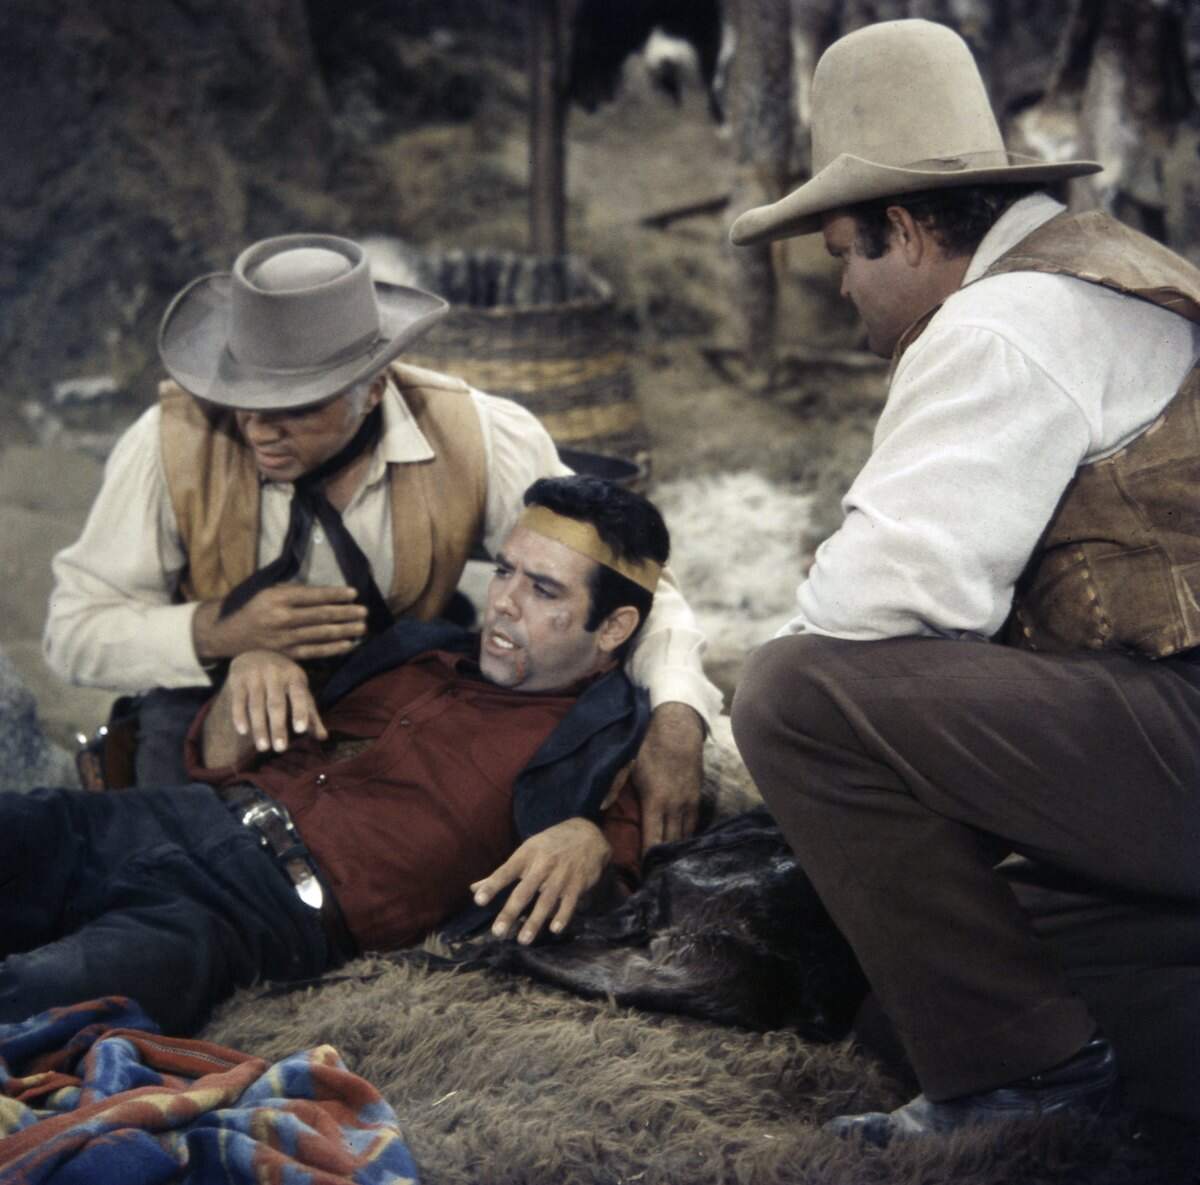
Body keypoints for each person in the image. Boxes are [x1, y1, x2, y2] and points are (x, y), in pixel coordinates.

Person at [727, 18, 1200, 1156]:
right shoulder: (1122, 267)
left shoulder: (1002, 321)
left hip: (1185, 738)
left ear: (904, 228)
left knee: (792, 693)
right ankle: (1059, 1064)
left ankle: (1026, 1084)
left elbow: (877, 607)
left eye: (845, 252)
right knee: (919, 1005)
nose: (844, 289)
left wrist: (759, 654)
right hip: (1169, 742)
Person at [43, 234, 720, 849]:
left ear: (371, 390)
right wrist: (220, 633)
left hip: (401, 699)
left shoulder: (472, 432)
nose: (257, 430)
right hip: (209, 705)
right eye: (245, 399)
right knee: (172, 856)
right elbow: (72, 631)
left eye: (296, 407)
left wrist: (678, 713)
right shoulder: (171, 442)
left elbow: (635, 587)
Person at [5, 476, 667, 1036]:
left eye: (544, 590)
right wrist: (251, 668)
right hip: (175, 816)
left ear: (612, 627)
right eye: (504, 570)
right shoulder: (417, 650)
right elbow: (224, 754)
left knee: (41, 992)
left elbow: (625, 907)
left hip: (256, 914)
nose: (503, 601)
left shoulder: (603, 754)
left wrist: (593, 842)